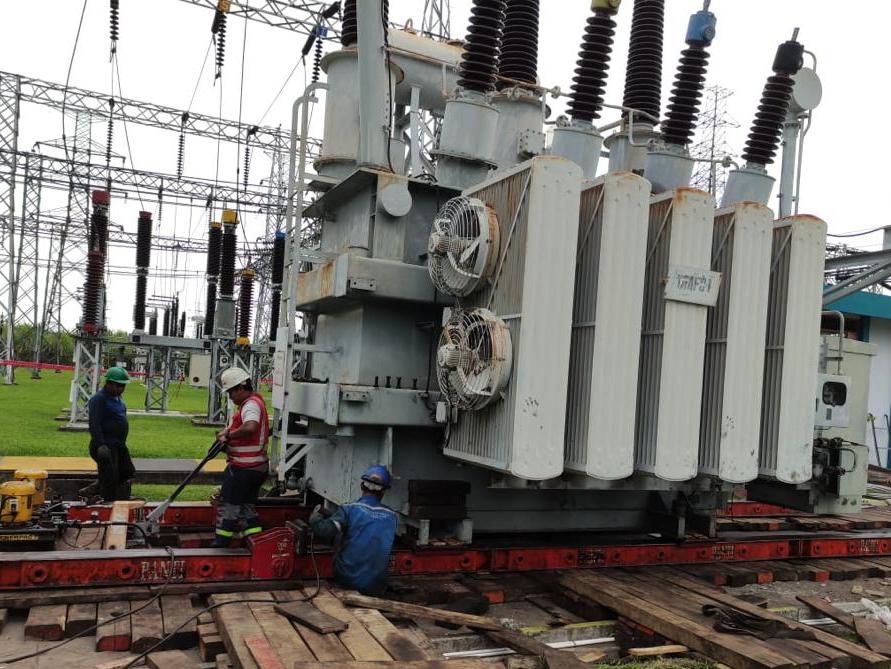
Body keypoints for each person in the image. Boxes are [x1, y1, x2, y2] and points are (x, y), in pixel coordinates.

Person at [309, 465, 397, 595]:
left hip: (347, 580)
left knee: (339, 533)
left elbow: (324, 531)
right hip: (377, 585)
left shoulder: (349, 509)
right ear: (383, 492)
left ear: (362, 486)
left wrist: (315, 518)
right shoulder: (392, 516)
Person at [212, 367, 270, 547]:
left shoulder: (251, 405)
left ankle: (221, 542)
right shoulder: (254, 403)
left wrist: (228, 436)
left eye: (231, 392)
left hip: (244, 468)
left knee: (229, 505)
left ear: (241, 388)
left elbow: (251, 427)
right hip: (256, 467)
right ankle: (255, 541)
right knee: (246, 507)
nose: (230, 396)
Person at [87, 366, 135, 502]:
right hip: (105, 445)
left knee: (127, 471)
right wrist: (101, 445)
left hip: (118, 445)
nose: (121, 388)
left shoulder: (118, 398)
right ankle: (107, 501)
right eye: (118, 385)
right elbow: (94, 424)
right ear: (109, 383)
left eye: (123, 386)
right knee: (110, 476)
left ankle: (106, 492)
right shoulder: (99, 399)